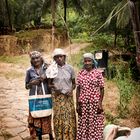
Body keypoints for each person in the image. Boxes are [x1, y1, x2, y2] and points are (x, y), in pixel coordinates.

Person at [49, 48, 76, 140]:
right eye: (56, 57)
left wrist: (71, 89)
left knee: (69, 117)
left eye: (61, 56)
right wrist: (54, 88)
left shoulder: (70, 68)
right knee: (58, 117)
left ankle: (70, 137)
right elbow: (49, 84)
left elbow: (74, 83)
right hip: (57, 97)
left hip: (68, 97)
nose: (59, 59)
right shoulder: (52, 69)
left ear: (64, 57)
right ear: (54, 59)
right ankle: (59, 137)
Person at [25, 51, 53, 140]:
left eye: (38, 58)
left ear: (41, 58)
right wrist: (31, 83)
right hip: (34, 97)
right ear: (31, 60)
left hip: (46, 95)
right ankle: (39, 136)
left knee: (47, 115)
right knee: (36, 116)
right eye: (33, 58)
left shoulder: (47, 68)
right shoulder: (29, 71)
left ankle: (50, 135)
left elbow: (52, 78)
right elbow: (26, 86)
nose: (36, 60)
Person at [76, 53, 105, 140]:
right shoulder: (81, 73)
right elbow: (78, 89)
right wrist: (77, 104)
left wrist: (100, 103)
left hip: (94, 103)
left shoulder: (98, 73)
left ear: (93, 62)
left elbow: (102, 88)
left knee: (95, 122)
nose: (87, 63)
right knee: (84, 123)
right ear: (83, 62)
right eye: (85, 61)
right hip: (83, 103)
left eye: (89, 61)